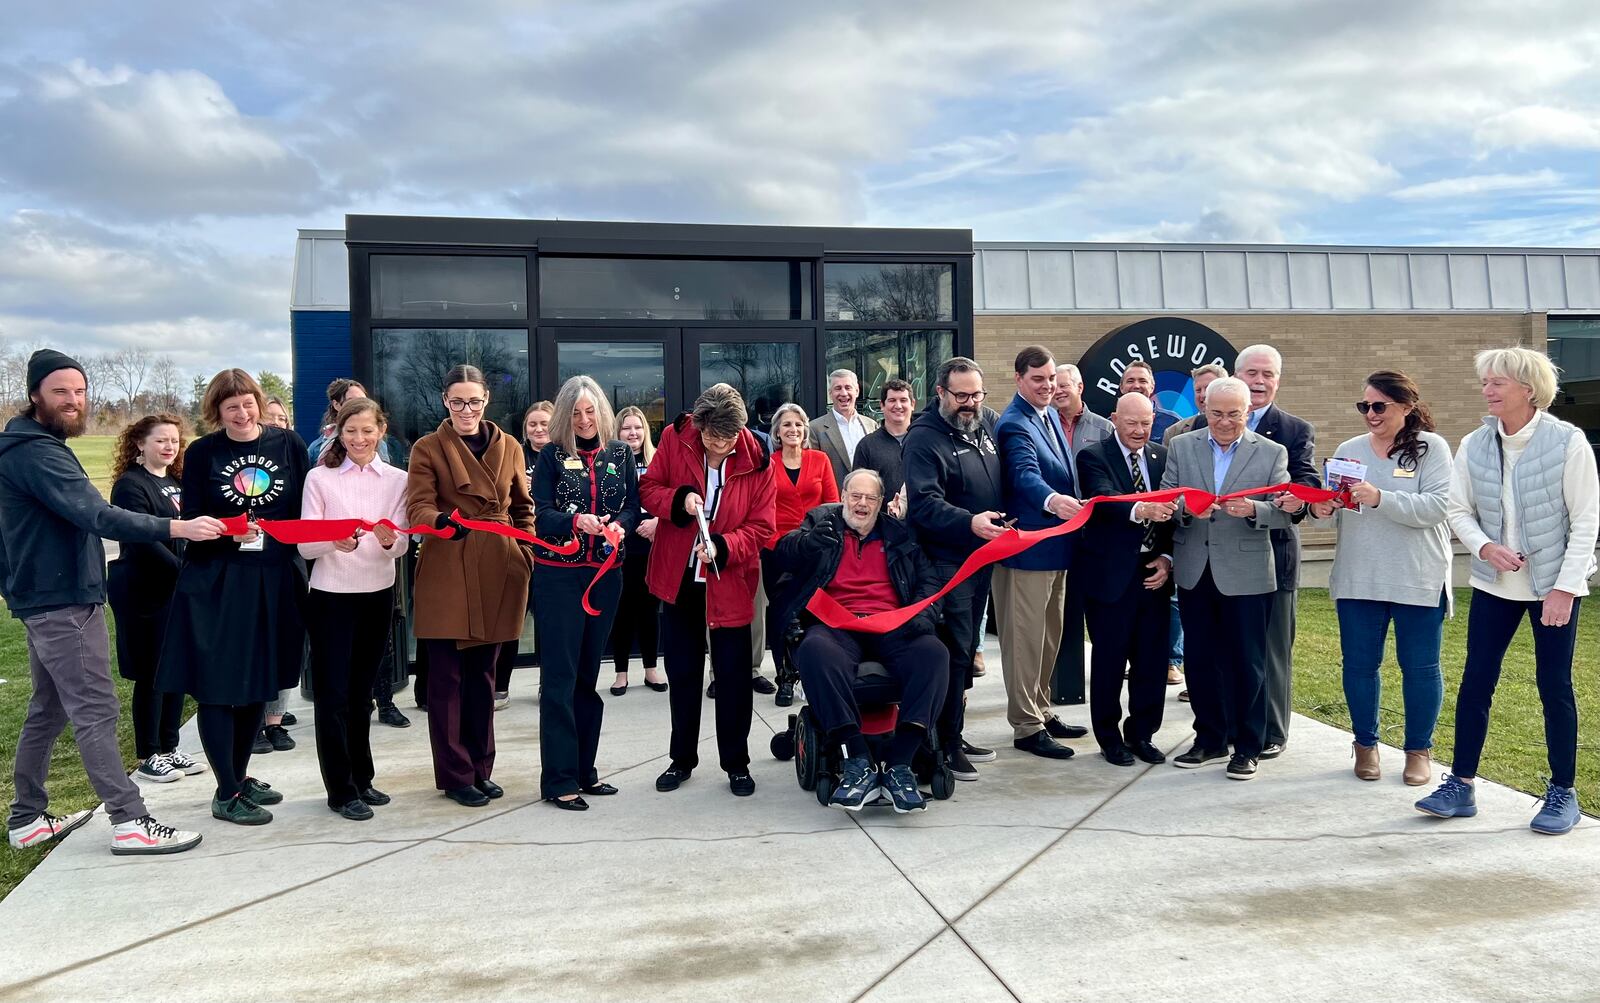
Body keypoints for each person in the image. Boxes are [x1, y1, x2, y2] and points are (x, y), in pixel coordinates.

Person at [2, 350, 217, 855]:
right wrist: (176, 525)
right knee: (95, 707)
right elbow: (98, 515)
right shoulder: (36, 452)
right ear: (35, 394)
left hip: (45, 596)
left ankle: (26, 818)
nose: (73, 401)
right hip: (62, 601)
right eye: (60, 391)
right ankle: (129, 819)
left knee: (48, 709)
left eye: (79, 391)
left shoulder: (28, 446)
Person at [1416, 347, 1598, 834]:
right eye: (1485, 382)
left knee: (1554, 687)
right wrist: (1484, 547)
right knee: (1476, 682)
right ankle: (1462, 785)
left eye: (1497, 382)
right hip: (1495, 583)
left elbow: (1586, 522)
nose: (1487, 390)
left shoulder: (1568, 441)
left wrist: (1563, 589)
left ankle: (1563, 794)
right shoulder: (1475, 442)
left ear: (1528, 388)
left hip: (1554, 589)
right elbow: (1458, 510)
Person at [156, 368, 311, 825]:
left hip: (275, 577)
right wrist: (233, 533)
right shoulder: (204, 453)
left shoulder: (289, 445)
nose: (242, 414)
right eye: (231, 407)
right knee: (222, 688)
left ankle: (240, 778)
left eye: (248, 404)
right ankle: (224, 791)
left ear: (259, 404)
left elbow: (304, 508)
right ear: (216, 412)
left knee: (259, 685)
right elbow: (196, 518)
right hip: (220, 581)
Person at [770, 469, 947, 813]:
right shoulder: (822, 522)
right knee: (814, 650)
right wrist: (808, 543)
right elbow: (784, 553)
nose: (861, 504)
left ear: (882, 503)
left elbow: (929, 581)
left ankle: (900, 765)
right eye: (855, 495)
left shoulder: (900, 534)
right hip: (836, 623)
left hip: (891, 623)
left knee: (934, 654)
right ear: (843, 495)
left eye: (870, 498)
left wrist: (921, 616)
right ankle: (857, 761)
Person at [1309, 372, 1452, 786]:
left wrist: (1381, 498)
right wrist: (1323, 509)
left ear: (1406, 407)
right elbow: (1334, 509)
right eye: (1364, 406)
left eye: (1378, 406)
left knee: (1421, 668)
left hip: (1417, 576)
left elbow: (1437, 507)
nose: (1370, 414)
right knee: (1358, 665)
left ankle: (1418, 750)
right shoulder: (1349, 450)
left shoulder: (1432, 448)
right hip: (1359, 575)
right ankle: (1365, 745)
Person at [407, 364, 536, 808]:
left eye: (474, 401)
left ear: (486, 401)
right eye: (458, 401)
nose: (467, 409)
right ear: (445, 400)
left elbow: (524, 506)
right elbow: (417, 507)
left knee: (484, 676)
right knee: (445, 679)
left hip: (499, 564)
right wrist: (440, 522)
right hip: (448, 562)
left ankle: (482, 767)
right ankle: (456, 773)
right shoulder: (427, 448)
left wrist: (526, 555)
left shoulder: (511, 446)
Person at [642, 384, 776, 797]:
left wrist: (722, 545)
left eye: (728, 438)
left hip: (729, 578)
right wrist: (679, 499)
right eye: (712, 437)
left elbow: (763, 528)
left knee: (734, 678)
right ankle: (681, 759)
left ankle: (736, 763)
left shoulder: (759, 459)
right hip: (678, 577)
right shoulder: (673, 437)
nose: (720, 445)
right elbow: (648, 488)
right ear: (697, 426)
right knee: (683, 673)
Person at [1158, 376, 1292, 781]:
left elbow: (1285, 511)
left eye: (1234, 414)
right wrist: (1185, 509)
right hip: (1196, 568)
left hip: (1248, 573)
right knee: (1200, 661)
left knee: (1247, 663)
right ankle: (1210, 739)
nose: (1225, 422)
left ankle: (1247, 746)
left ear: (1247, 412)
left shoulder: (1271, 452)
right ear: (1204, 411)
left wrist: (1254, 510)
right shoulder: (1182, 446)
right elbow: (1166, 496)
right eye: (1216, 413)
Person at [298, 397, 410, 821]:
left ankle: (363, 778)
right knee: (333, 696)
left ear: (381, 430)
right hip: (330, 596)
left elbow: (401, 544)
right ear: (338, 433)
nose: (360, 439)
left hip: (377, 592)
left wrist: (386, 540)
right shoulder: (319, 479)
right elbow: (306, 543)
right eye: (351, 431)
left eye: (368, 430)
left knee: (363, 694)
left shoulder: (397, 479)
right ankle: (340, 790)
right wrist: (334, 541)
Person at [531, 377, 640, 810]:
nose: (583, 419)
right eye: (575, 413)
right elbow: (541, 515)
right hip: (560, 578)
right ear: (563, 416)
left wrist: (621, 525)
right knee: (559, 679)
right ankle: (559, 779)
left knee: (587, 679)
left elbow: (632, 504)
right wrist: (575, 522)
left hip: (606, 576)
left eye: (590, 411)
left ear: (602, 412)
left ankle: (584, 771)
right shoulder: (550, 456)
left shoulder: (620, 453)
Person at [903, 357, 1006, 783]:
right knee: (954, 652)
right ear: (940, 393)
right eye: (961, 395)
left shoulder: (981, 427)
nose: (970, 403)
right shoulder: (924, 439)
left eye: (976, 395)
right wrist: (969, 522)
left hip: (981, 557)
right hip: (945, 564)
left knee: (966, 652)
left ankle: (955, 734)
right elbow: (923, 502)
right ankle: (943, 745)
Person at [992, 346, 1087, 761]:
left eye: (1051, 379)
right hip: (1027, 552)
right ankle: (1026, 725)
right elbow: (1024, 476)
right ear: (1018, 380)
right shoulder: (1015, 423)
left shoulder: (1048, 416)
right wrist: (1053, 502)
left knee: (1050, 640)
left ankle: (1042, 709)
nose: (1048, 386)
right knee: (1025, 643)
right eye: (1038, 380)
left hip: (1057, 548)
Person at [1227, 344, 1317, 760]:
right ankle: (1234, 727)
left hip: (1272, 554)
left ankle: (1273, 731)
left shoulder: (1294, 430)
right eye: (1251, 373)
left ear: (1278, 380)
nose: (1259, 382)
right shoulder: (1206, 425)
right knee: (1232, 651)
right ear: (1236, 375)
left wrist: (1293, 500)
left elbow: (1305, 483)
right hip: (1221, 559)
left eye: (1268, 374)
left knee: (1272, 649)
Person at [1076, 394, 1174, 765]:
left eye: (1146, 423)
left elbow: (1174, 513)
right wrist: (1139, 508)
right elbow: (1102, 498)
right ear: (1115, 419)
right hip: (1111, 576)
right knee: (1109, 662)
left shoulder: (1161, 457)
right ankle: (1109, 738)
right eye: (1131, 423)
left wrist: (1167, 559)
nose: (1139, 431)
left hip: (1154, 574)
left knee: (1151, 661)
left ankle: (1143, 734)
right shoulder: (1093, 456)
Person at [107, 414, 205, 783]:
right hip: (144, 591)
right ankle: (149, 753)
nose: (169, 447)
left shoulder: (178, 483)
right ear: (140, 444)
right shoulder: (130, 485)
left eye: (175, 441)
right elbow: (142, 539)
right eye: (161, 440)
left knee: (175, 668)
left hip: (178, 588)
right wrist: (182, 571)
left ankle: (169, 745)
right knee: (151, 673)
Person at [764, 403, 840, 705]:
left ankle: (810, 673)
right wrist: (771, 544)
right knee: (782, 613)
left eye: (798, 424)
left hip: (816, 550)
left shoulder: (820, 460)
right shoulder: (768, 464)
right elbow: (762, 508)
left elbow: (833, 504)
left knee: (812, 613)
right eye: (786, 425)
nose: (793, 430)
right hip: (778, 550)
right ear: (777, 432)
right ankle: (784, 676)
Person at [1164, 363, 1228, 695]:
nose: (1204, 395)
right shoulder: (1177, 435)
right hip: (1191, 548)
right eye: (1199, 390)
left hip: (1233, 557)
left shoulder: (1254, 444)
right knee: (1197, 631)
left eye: (1211, 388)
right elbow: (1167, 493)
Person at [493, 399, 554, 709]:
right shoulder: (513, 453)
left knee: (547, 621)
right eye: (533, 424)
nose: (538, 428)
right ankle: (500, 687)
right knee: (512, 619)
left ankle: (547, 685)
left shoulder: (563, 456)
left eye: (544, 423)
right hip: (518, 547)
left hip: (554, 549)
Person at [609, 405, 666, 696]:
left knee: (648, 609)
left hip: (652, 544)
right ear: (617, 432)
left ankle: (651, 669)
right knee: (622, 609)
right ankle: (620, 673)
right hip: (621, 543)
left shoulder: (658, 461)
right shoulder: (609, 461)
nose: (633, 433)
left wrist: (658, 522)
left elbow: (670, 498)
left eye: (638, 427)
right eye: (626, 428)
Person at [851, 378, 916, 510]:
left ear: (912, 404)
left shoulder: (926, 441)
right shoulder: (867, 446)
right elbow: (858, 491)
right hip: (883, 525)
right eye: (892, 400)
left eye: (903, 400)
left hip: (925, 526)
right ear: (882, 405)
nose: (898, 406)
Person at [809, 369, 879, 490]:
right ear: (830, 393)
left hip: (869, 499)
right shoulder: (814, 429)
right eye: (838, 388)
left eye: (848, 387)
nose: (843, 393)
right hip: (834, 502)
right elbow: (814, 473)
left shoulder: (872, 425)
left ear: (857, 391)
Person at [1051, 363, 1114, 483]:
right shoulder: (1045, 427)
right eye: (1054, 387)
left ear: (1080, 387)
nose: (1058, 391)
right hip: (1057, 500)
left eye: (1063, 386)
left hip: (1090, 499)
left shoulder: (1104, 428)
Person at [1118, 359, 1182, 442]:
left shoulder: (1173, 422)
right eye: (1130, 381)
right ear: (1121, 387)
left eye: (1142, 381)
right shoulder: (1110, 424)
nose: (1136, 386)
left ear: (1152, 387)